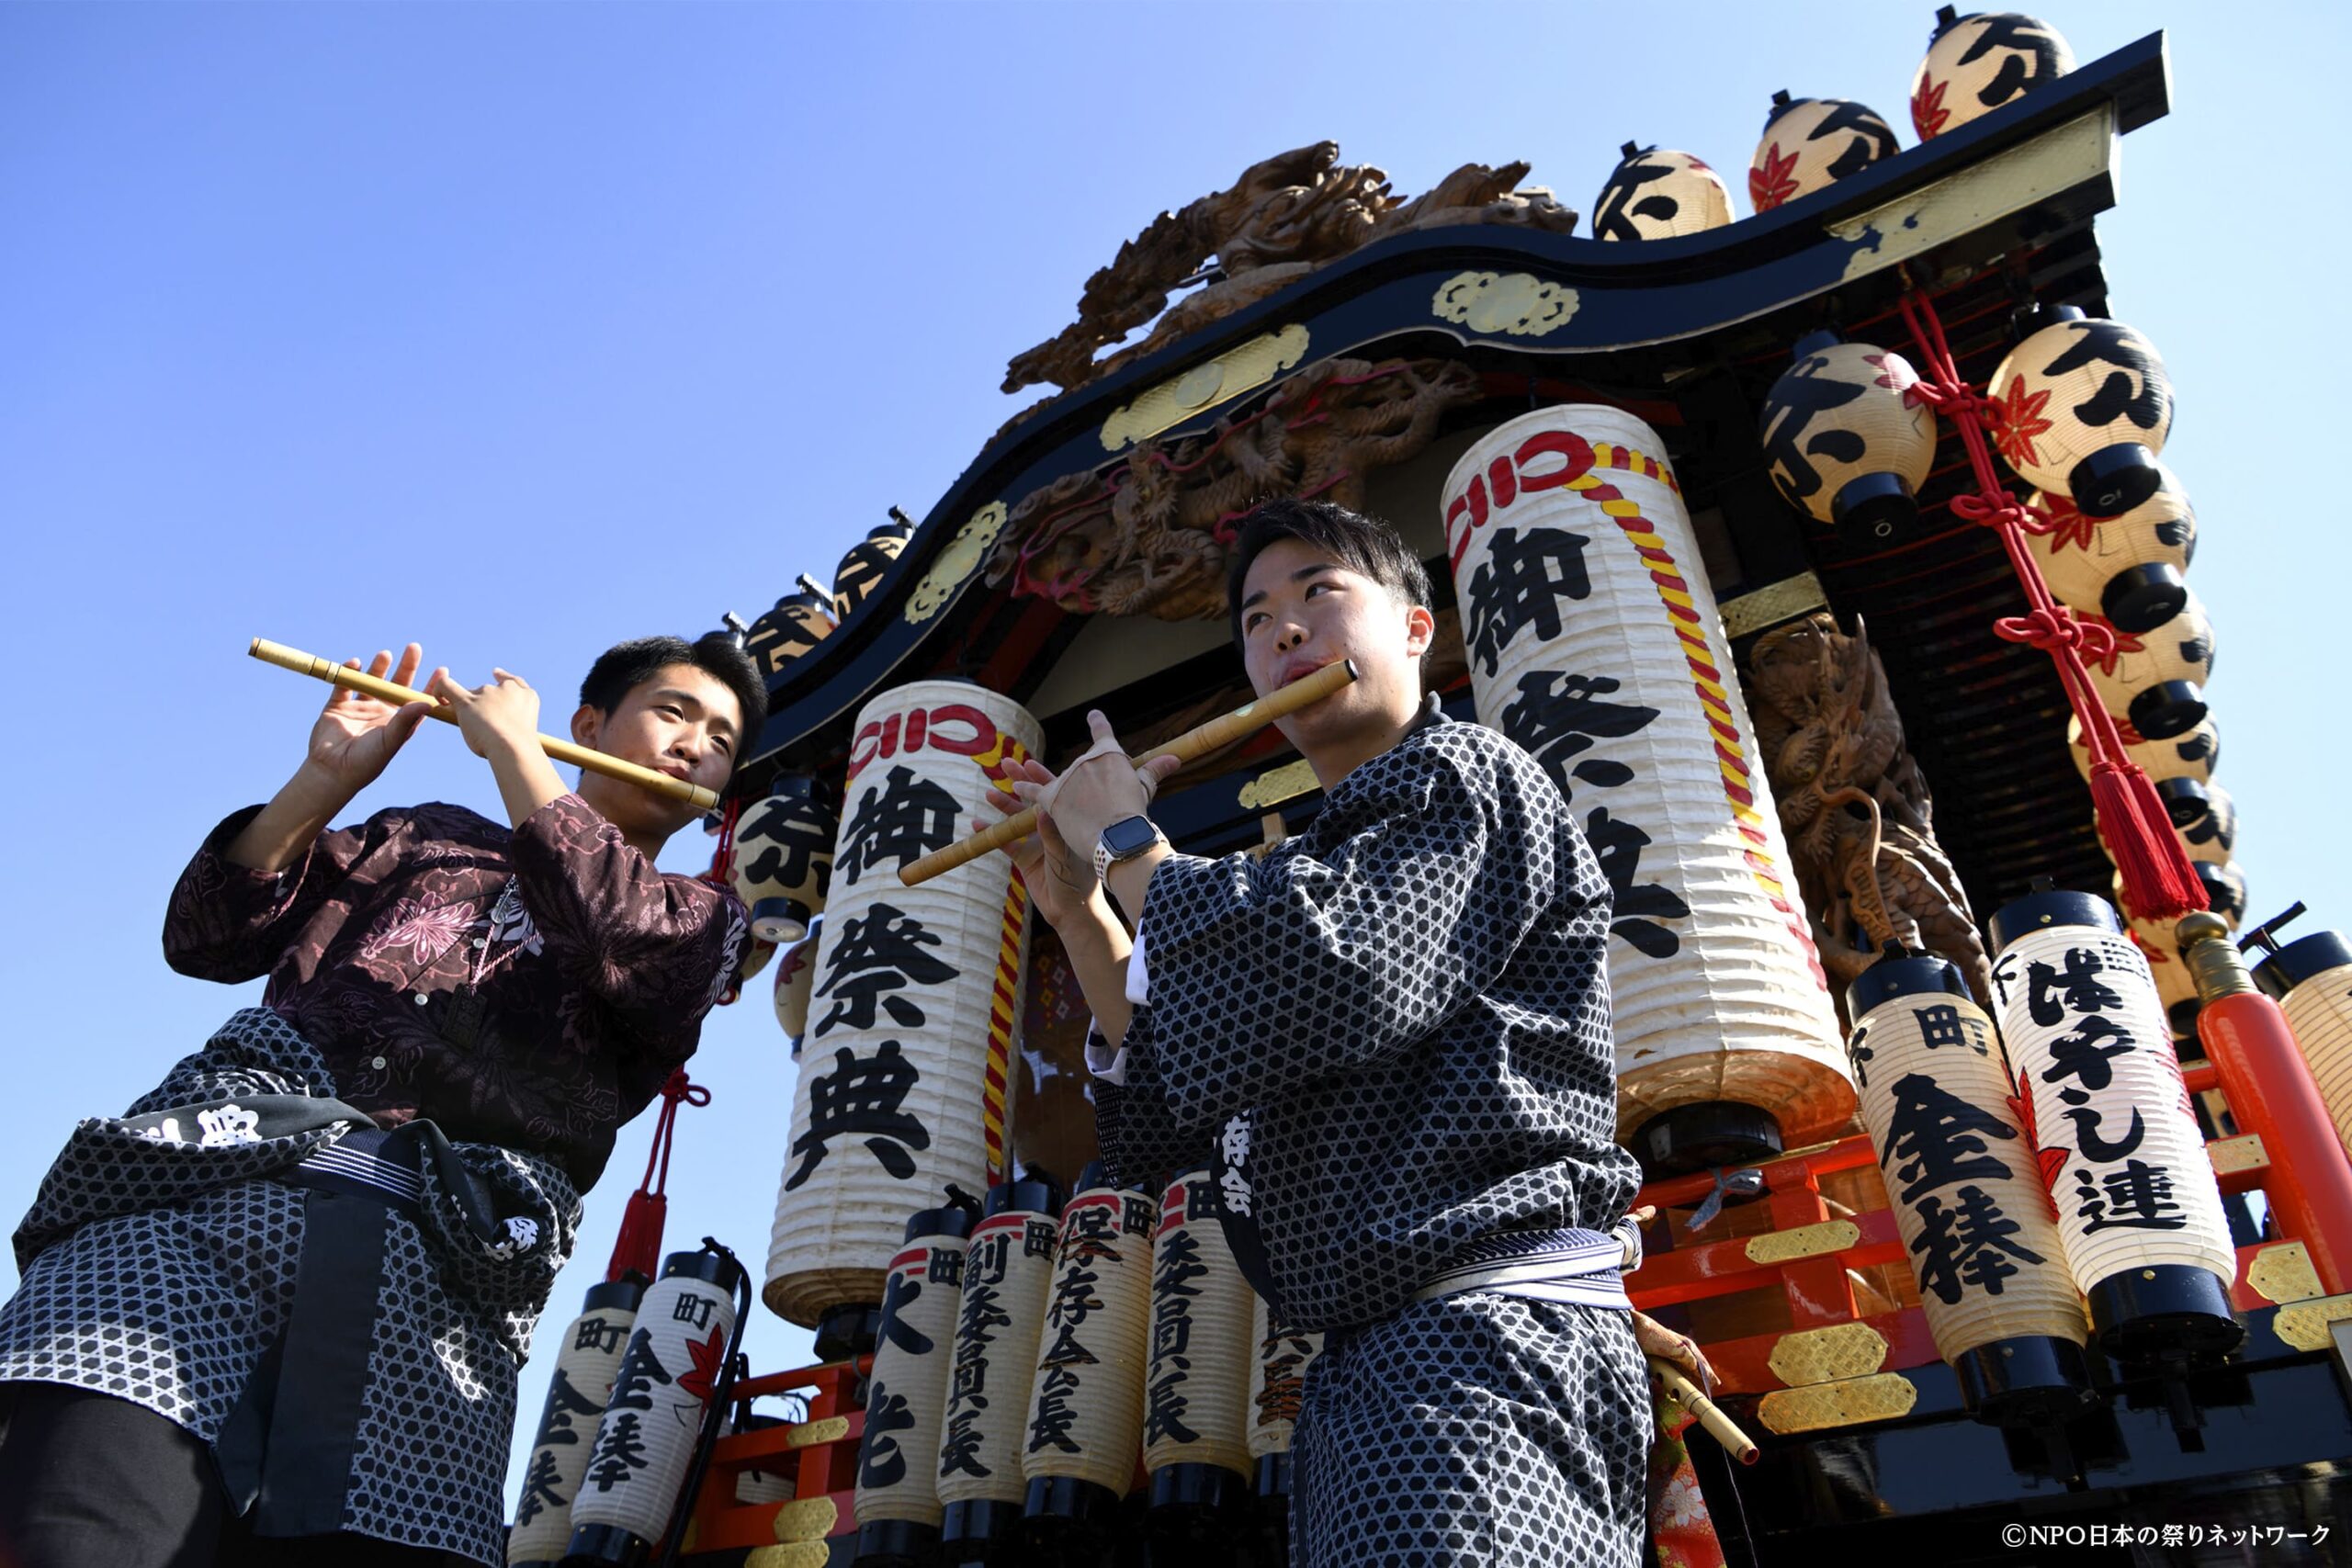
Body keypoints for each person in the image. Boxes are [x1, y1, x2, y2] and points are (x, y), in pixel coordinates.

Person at [988, 498, 1706, 1567]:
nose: (1283, 632)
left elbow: (1335, 976)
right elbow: (1169, 1127)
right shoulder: (1300, 872)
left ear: (1415, 627)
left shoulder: (1466, 775)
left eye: (1320, 592)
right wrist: (1079, 910)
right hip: (1386, 1360)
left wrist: (1133, 843)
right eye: (1255, 617)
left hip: (1480, 1342)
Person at [0, 636, 762, 1568]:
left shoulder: (705, 922)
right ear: (590, 725)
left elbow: (616, 925)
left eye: (720, 740)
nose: (695, 745)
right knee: (83, 1529)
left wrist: (515, 754)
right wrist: (321, 781)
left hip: (435, 1284)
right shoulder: (424, 834)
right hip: (207, 1213)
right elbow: (206, 936)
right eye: (675, 712)